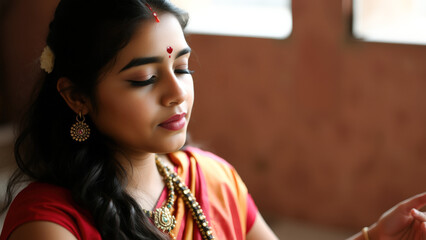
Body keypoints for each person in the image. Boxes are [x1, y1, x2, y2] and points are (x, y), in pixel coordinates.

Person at [0, 0, 425, 239]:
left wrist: (372, 237)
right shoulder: (50, 227)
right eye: (145, 78)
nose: (176, 92)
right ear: (78, 97)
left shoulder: (212, 179)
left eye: (182, 68)